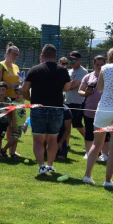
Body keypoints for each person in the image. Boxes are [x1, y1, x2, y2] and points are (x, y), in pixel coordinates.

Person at [21, 44, 74, 175]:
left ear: (42, 56)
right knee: (53, 140)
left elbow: (24, 89)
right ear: (55, 57)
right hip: (56, 109)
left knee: (38, 140)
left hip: (38, 108)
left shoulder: (34, 69)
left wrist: (30, 99)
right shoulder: (62, 70)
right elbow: (67, 87)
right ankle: (50, 165)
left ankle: (41, 166)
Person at [83, 47, 113, 187]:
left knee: (96, 144)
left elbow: (99, 89)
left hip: (104, 109)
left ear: (111, 56)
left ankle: (87, 176)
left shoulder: (105, 68)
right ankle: (107, 181)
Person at [78, 55, 108, 158]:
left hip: (105, 109)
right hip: (90, 109)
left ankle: (104, 154)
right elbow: (80, 91)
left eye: (102, 64)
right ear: (93, 64)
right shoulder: (88, 76)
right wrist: (86, 93)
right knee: (89, 131)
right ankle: (88, 152)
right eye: (97, 64)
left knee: (106, 132)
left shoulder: (109, 76)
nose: (99, 67)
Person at [64, 51, 87, 142]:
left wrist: (62, 86)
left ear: (79, 60)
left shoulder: (82, 71)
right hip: (68, 100)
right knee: (66, 124)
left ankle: (91, 141)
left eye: (74, 59)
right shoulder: (69, 71)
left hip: (77, 101)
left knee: (77, 124)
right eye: (70, 59)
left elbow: (72, 85)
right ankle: (66, 144)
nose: (71, 61)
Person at [2, 85, 27, 157]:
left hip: (20, 124)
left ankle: (13, 153)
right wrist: (14, 125)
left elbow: (27, 92)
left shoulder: (22, 101)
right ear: (14, 94)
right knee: (14, 139)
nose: (18, 95)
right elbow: (12, 116)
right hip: (15, 124)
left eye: (20, 93)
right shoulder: (13, 104)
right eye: (16, 93)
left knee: (16, 139)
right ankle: (4, 149)